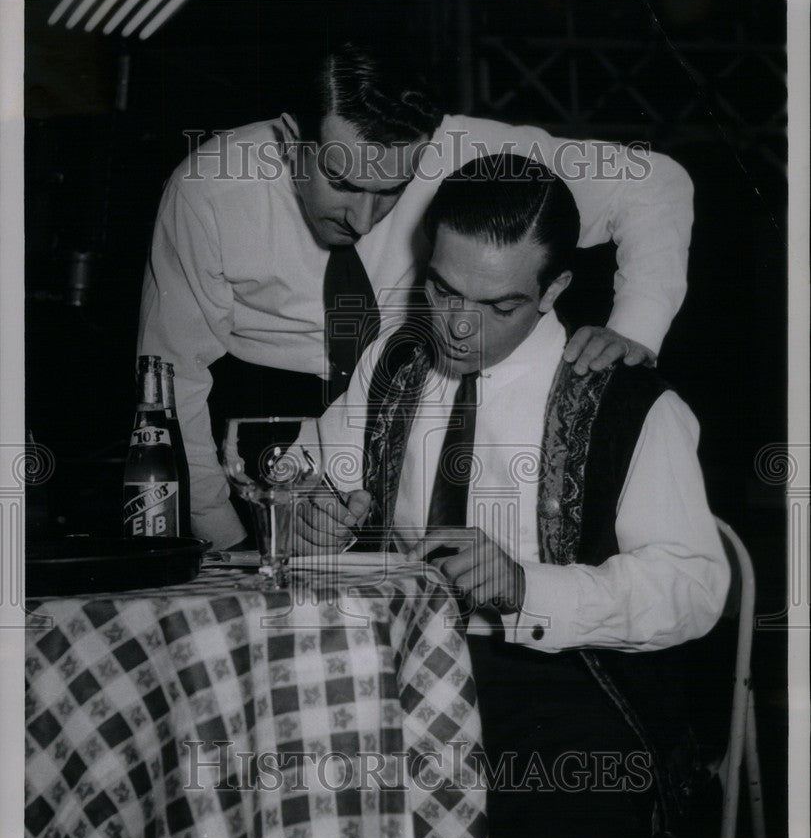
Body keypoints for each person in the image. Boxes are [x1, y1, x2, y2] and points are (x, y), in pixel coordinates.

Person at [301, 154, 729, 838]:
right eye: (442, 291)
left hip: (565, 687)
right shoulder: (392, 363)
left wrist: (528, 587)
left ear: (553, 286)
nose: (458, 328)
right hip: (390, 671)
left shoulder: (626, 401)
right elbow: (307, 479)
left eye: (496, 306)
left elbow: (693, 587)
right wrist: (311, 513)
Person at [137, 42, 694, 551]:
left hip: (419, 415)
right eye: (344, 182)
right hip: (260, 445)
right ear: (290, 137)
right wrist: (227, 541)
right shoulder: (208, 192)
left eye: (391, 192)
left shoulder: (465, 150)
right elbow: (171, 383)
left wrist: (633, 332)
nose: (362, 219)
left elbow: (653, 184)